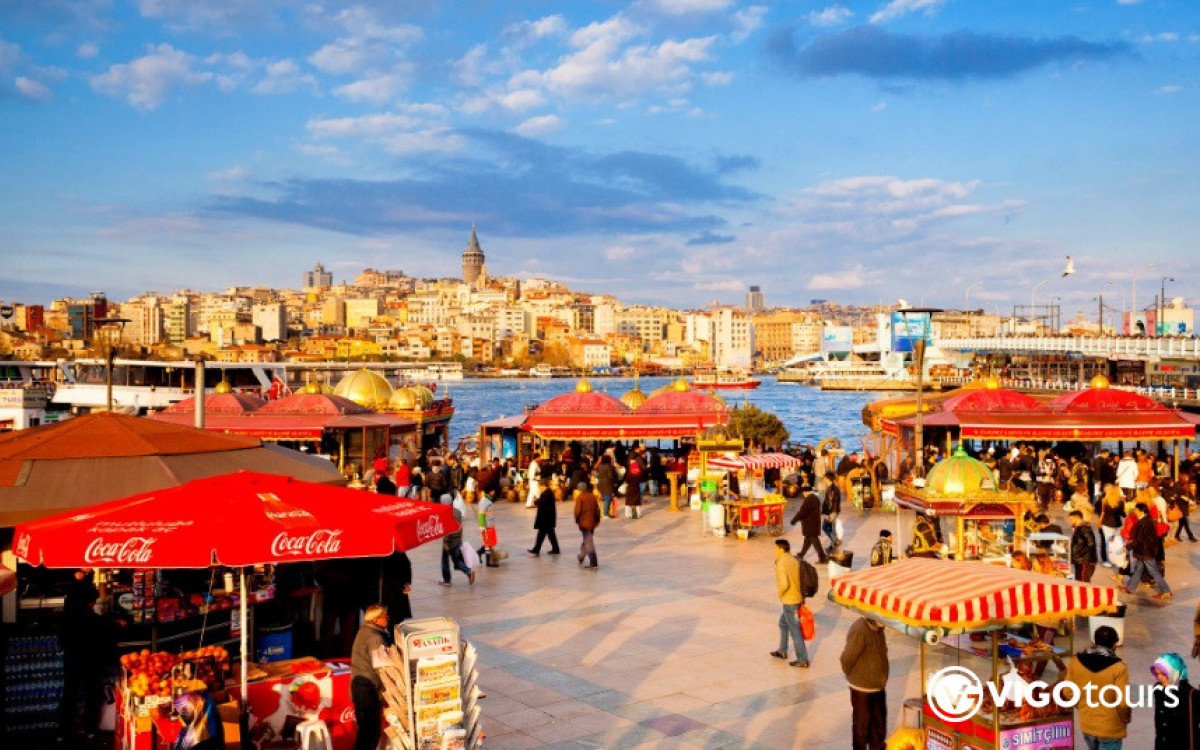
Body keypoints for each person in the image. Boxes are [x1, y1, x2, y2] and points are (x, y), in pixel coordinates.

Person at [1063, 625, 1131, 750]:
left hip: (1087, 724)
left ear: (1095, 641)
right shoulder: (1119, 667)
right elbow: (1122, 703)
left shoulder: (1076, 660)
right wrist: (1126, 719)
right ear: (1114, 645)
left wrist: (1084, 706)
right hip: (1110, 729)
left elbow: (1067, 692)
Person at [840, 616, 888, 750]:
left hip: (878, 687)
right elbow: (847, 658)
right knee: (862, 729)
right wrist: (856, 676)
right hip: (862, 689)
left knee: (878, 727)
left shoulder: (879, 628)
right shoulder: (860, 629)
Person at [350, 605, 392, 750]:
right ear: (376, 619)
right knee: (370, 734)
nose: (387, 619)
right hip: (370, 692)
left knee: (364, 733)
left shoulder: (363, 630)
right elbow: (382, 669)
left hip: (359, 689)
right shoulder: (376, 638)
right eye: (384, 616)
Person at [768, 539, 809, 668]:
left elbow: (784, 584)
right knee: (783, 623)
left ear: (781, 549)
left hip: (789, 601)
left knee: (795, 630)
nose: (774, 550)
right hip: (797, 598)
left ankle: (802, 659)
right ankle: (782, 650)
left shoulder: (781, 562)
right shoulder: (794, 559)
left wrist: (780, 594)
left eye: (776, 548)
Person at [1151, 652, 1199, 750]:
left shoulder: (1191, 695)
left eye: (1163, 674)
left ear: (1174, 672)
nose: (1159, 677)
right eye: (1157, 673)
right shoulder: (1158, 690)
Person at [1124, 502, 1172, 599]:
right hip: (1144, 551)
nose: (1135, 512)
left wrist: (1127, 547)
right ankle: (1130, 588)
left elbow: (1139, 539)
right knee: (1138, 569)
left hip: (1145, 551)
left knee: (1153, 571)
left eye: (1136, 510)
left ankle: (1166, 590)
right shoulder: (1146, 520)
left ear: (1141, 511)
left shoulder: (1144, 522)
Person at [440, 506, 475, 586]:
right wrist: (459, 538)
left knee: (445, 561)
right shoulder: (458, 511)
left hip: (449, 541)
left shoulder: (447, 513)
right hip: (457, 540)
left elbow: (447, 528)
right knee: (456, 560)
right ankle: (469, 573)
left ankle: (447, 580)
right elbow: (460, 526)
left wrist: (445, 543)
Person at [789, 492, 828, 563]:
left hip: (810, 524)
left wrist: (794, 520)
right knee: (807, 541)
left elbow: (802, 512)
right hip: (814, 523)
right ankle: (801, 554)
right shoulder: (815, 498)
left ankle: (823, 558)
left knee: (815, 542)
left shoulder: (809, 499)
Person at [380, 551, 412, 624]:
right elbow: (406, 564)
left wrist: (406, 582)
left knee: (394, 613)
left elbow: (406, 565)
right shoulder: (396, 550)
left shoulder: (396, 550)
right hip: (392, 586)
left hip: (393, 586)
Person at [574, 481, 601, 569]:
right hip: (592, 522)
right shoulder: (592, 496)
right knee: (587, 539)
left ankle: (593, 562)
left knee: (588, 542)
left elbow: (577, 511)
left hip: (585, 523)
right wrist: (597, 520)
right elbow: (597, 510)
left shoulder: (580, 497)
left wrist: (577, 520)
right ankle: (581, 557)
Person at [528, 485, 561, 556]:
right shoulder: (548, 492)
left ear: (543, 486)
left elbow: (542, 503)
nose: (539, 488)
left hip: (545, 519)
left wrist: (536, 501)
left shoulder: (545, 494)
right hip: (548, 518)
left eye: (539, 487)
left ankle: (537, 549)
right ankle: (555, 549)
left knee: (542, 535)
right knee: (550, 535)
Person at [1069, 510, 1099, 583]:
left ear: (1076, 518)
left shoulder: (1084, 529)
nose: (1070, 522)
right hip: (1081, 560)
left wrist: (1079, 554)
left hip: (1085, 561)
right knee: (1080, 581)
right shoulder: (1079, 528)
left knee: (1083, 583)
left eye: (1071, 519)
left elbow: (1091, 544)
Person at [822, 472, 842, 551]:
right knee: (831, 528)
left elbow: (830, 503)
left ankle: (835, 541)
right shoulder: (834, 487)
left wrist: (827, 514)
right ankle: (833, 544)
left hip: (832, 511)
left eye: (825, 478)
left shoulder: (831, 489)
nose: (824, 479)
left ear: (828, 478)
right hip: (834, 510)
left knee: (825, 527)